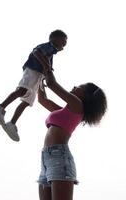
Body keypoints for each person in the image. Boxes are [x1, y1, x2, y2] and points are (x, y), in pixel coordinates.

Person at [37, 70, 107, 200]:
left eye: (79, 87)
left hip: (59, 156)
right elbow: (43, 100)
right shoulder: (66, 112)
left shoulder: (78, 106)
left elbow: (52, 84)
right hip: (46, 157)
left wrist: (45, 65)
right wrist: (39, 79)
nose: (74, 87)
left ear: (85, 96)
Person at [0, 30, 68, 141]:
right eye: (64, 40)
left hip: (38, 76)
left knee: (27, 102)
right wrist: (46, 67)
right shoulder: (49, 46)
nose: (65, 44)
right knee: (22, 90)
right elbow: (36, 52)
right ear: (55, 38)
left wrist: (45, 76)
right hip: (33, 70)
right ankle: (0, 106)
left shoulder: (51, 53)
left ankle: (12, 123)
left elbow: (46, 66)